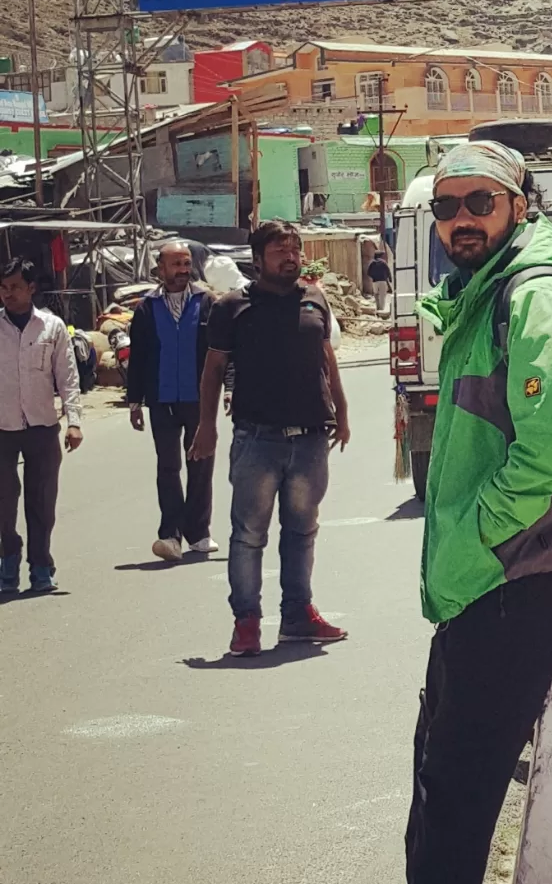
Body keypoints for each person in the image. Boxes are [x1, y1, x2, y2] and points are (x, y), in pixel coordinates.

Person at [294, 139, 552, 884]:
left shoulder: (533, 294)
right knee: (441, 771)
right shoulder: (488, 288)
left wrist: (475, 538)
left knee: (462, 780)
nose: (460, 219)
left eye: (480, 203)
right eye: (447, 205)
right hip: (487, 581)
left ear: (520, 205)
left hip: (516, 578)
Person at [188, 220, 350, 656]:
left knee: (301, 530)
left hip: (312, 437)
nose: (291, 256)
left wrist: (342, 409)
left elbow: (325, 357)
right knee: (248, 534)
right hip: (257, 438)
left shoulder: (314, 298)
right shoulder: (231, 307)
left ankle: (298, 617)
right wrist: (207, 427)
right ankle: (247, 623)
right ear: (257, 260)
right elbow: (213, 372)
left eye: (295, 249)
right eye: (280, 251)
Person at [127, 240, 217, 563]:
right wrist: (134, 402)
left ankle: (199, 532)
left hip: (199, 398)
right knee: (168, 467)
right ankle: (170, 534)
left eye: (186, 263)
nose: (182, 270)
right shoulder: (146, 308)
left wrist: (229, 389)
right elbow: (137, 358)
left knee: (201, 464)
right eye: (175, 264)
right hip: (161, 399)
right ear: (160, 269)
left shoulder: (206, 302)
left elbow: (220, 351)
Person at [0, 257, 83, 593]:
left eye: (15, 287)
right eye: (3, 288)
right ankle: (8, 560)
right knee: (3, 502)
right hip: (2, 427)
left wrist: (74, 421)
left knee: (42, 501)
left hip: (42, 426)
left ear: (31, 288)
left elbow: (67, 376)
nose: (8, 294)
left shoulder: (52, 327)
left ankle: (40, 566)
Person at [367, 249, 392, 316]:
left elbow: (368, 273)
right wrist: (389, 279)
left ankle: (377, 308)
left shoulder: (372, 263)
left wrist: (373, 276)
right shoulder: (383, 262)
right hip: (383, 281)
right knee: (382, 296)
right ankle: (381, 310)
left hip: (375, 282)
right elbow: (388, 271)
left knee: (376, 295)